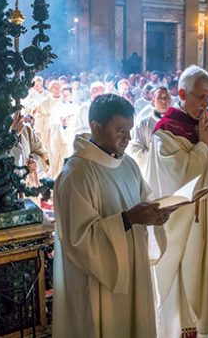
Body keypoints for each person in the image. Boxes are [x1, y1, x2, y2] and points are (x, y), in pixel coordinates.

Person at [52, 94, 175, 338]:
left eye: (129, 130)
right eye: (120, 130)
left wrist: (155, 214)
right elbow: (79, 240)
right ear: (96, 128)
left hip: (133, 266)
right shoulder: (76, 174)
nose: (128, 137)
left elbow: (144, 200)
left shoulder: (127, 163)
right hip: (99, 279)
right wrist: (128, 219)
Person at [145, 65, 208, 337]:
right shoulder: (166, 131)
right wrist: (202, 145)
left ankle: (205, 328)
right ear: (181, 93)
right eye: (200, 97)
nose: (206, 103)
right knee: (188, 280)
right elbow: (176, 180)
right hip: (188, 225)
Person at [126, 86, 171, 174]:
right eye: (159, 97)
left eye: (166, 97)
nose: (164, 101)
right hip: (152, 172)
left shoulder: (177, 121)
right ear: (153, 101)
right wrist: (157, 155)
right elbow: (134, 150)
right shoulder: (143, 123)